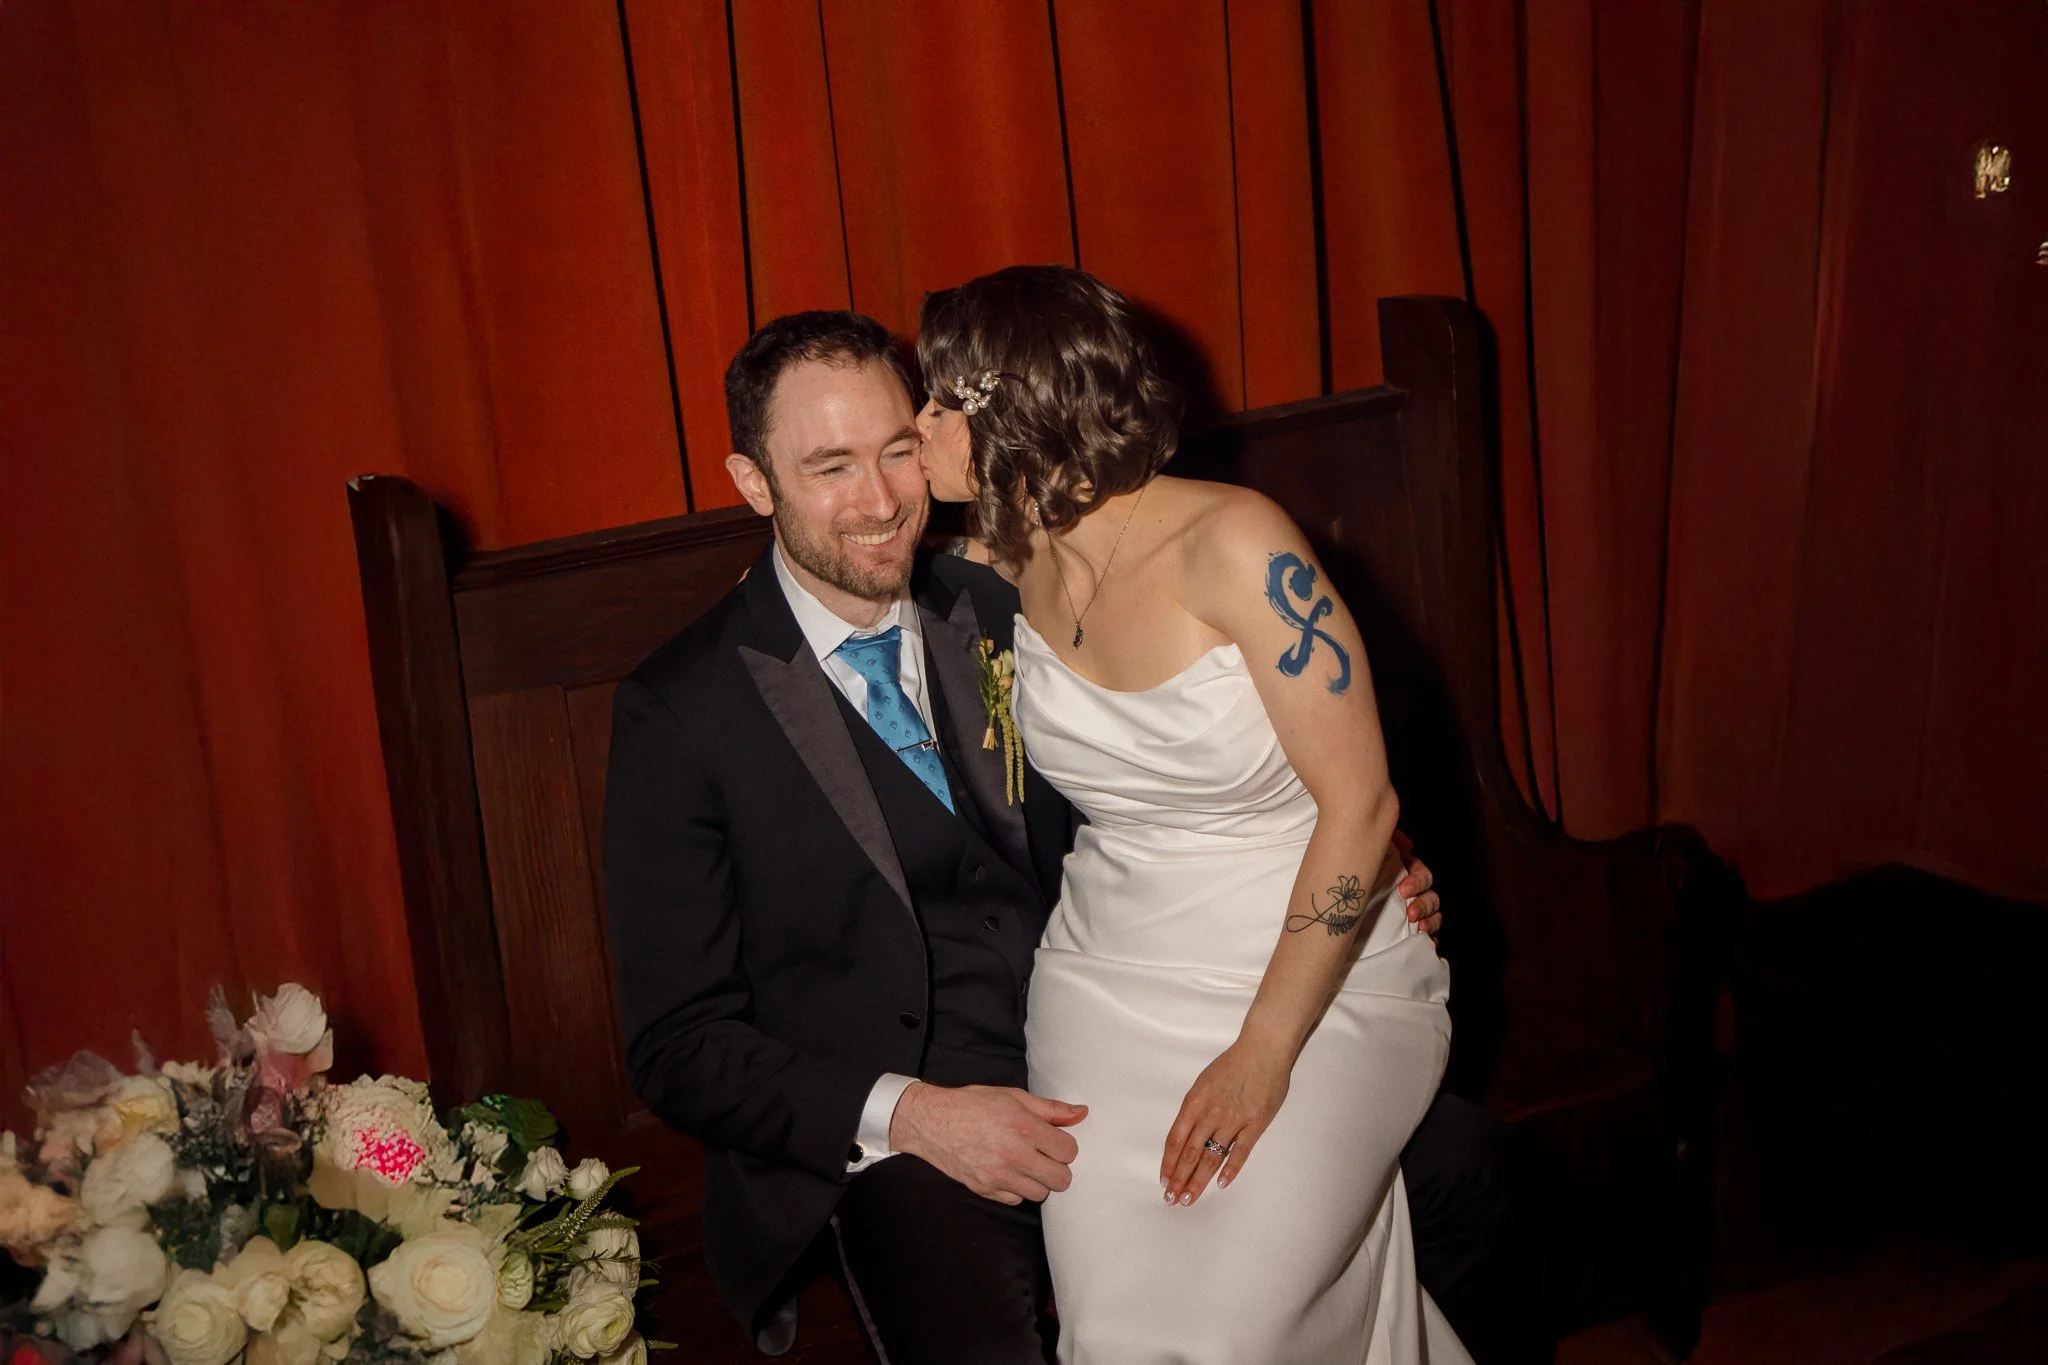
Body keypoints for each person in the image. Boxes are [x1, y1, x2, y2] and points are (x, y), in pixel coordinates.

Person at [603, 308, 1480, 1365]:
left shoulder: (1001, 586)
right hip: (902, 1132)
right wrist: (913, 1115)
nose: (880, 502)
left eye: (895, 450)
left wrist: (1375, 858)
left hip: (1131, 1017)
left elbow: (1207, 755)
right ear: (753, 483)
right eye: (830, 467)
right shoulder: (683, 710)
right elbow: (676, 1045)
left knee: (1463, 1168)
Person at [913, 264, 1471, 1363]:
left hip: (1315, 975)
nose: (916, 422)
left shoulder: (1237, 545)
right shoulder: (1000, 555)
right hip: (1105, 984)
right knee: (1118, 1330)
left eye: (937, 400)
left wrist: (1262, 1055)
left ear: (1009, 406)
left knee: (1236, 1330)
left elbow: (1360, 804)